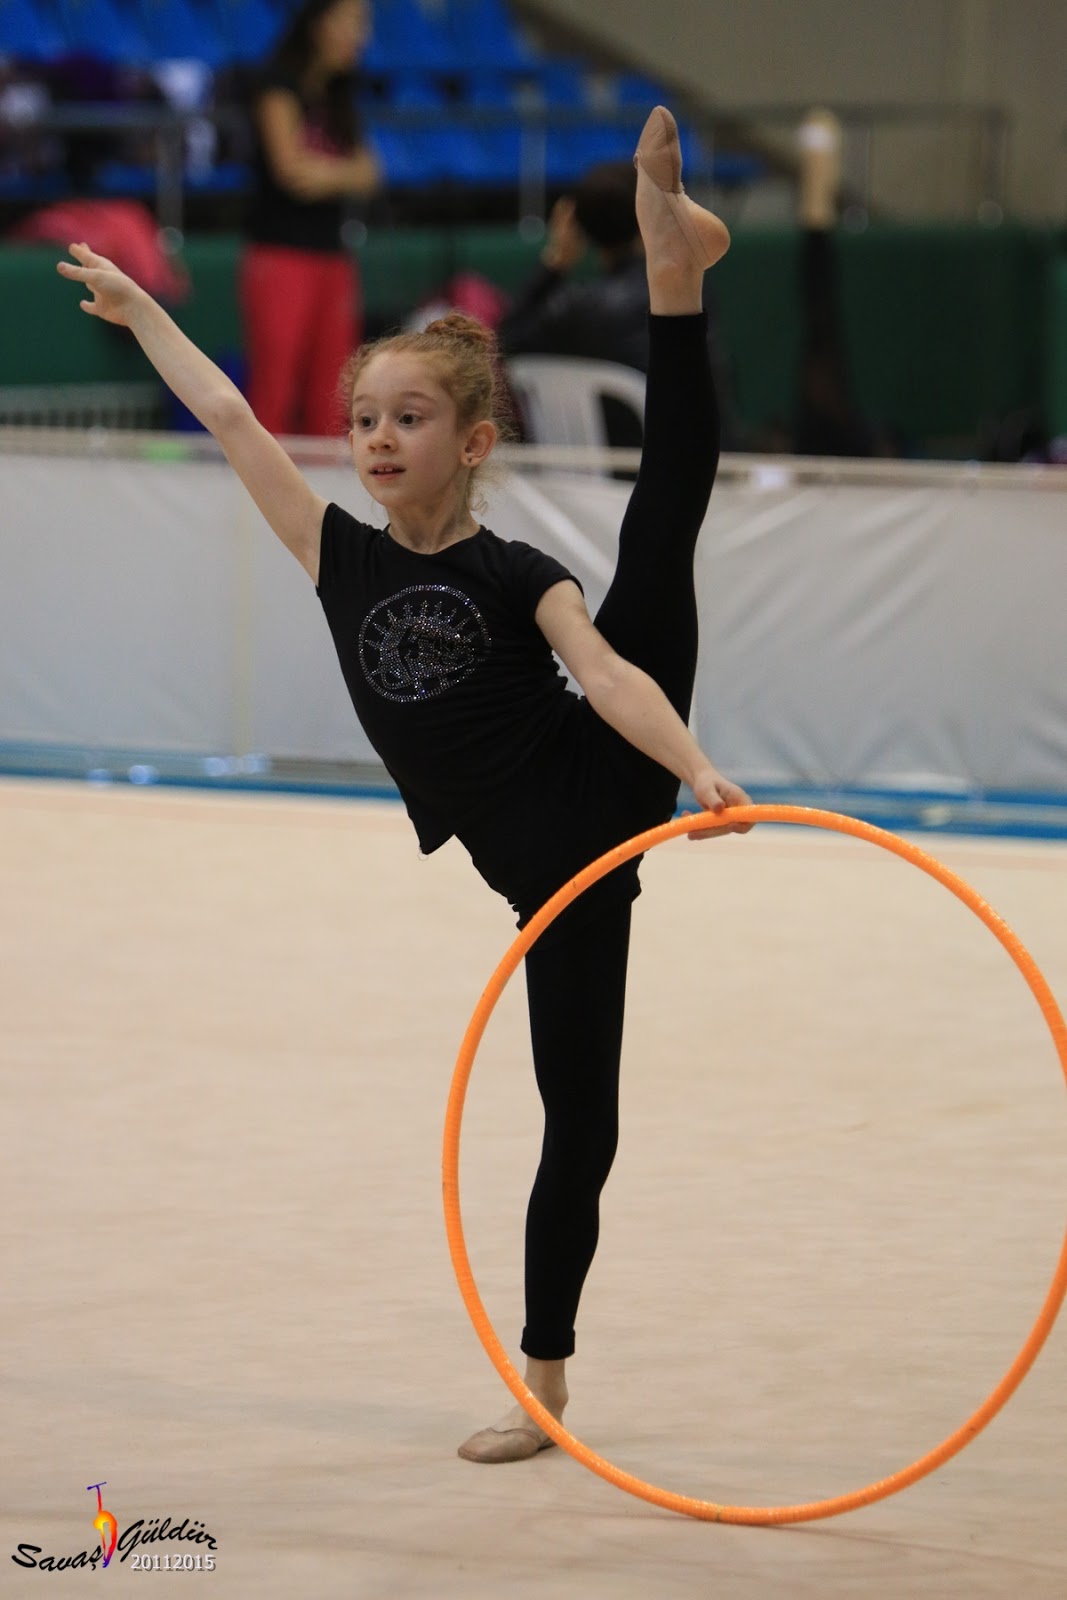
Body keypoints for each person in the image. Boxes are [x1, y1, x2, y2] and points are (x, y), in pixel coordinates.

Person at [57, 105, 753, 1465]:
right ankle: (548, 1391)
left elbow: (606, 674)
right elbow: (227, 412)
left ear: (473, 441)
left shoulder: (514, 571)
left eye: (409, 418)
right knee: (580, 1127)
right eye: (364, 418)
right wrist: (142, 310)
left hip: (606, 785)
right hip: (552, 884)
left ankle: (671, 273)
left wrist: (693, 769)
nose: (376, 437)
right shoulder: (337, 556)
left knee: (660, 527)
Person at [498, 158, 733, 449]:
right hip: (699, 460)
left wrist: (556, 259)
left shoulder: (578, 310)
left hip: (601, 469)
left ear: (577, 226)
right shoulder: (694, 289)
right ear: (648, 216)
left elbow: (505, 340)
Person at [241, 0, 381, 435]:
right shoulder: (277, 85)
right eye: (351, 22)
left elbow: (372, 174)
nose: (360, 36)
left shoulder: (340, 94)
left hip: (334, 258)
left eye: (364, 24)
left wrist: (324, 174)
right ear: (318, 24)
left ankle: (328, 482)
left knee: (334, 396)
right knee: (276, 393)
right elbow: (291, 172)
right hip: (281, 256)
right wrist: (346, 174)